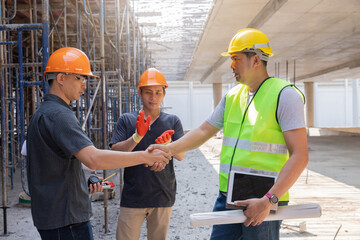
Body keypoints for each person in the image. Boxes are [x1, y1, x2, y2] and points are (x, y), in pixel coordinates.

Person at [150, 28, 309, 240]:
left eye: (236, 59)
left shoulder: (285, 95)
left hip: (263, 199)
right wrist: (168, 149)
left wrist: (269, 200)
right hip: (228, 196)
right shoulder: (234, 96)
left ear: (255, 60)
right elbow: (204, 130)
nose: (232, 65)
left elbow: (300, 155)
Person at [26, 47, 171, 240]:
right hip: (65, 220)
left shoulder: (45, 112)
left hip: (55, 215)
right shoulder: (59, 116)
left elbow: (53, 164)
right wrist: (145, 155)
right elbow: (93, 159)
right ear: (61, 78)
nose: (84, 85)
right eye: (80, 78)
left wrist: (86, 179)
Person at [109, 68, 186, 240]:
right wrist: (137, 136)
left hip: (163, 195)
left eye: (158, 93)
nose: (153, 98)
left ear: (164, 94)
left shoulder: (172, 121)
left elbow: (181, 156)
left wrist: (169, 146)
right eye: (148, 92)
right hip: (133, 196)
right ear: (140, 93)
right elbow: (115, 154)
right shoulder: (127, 120)